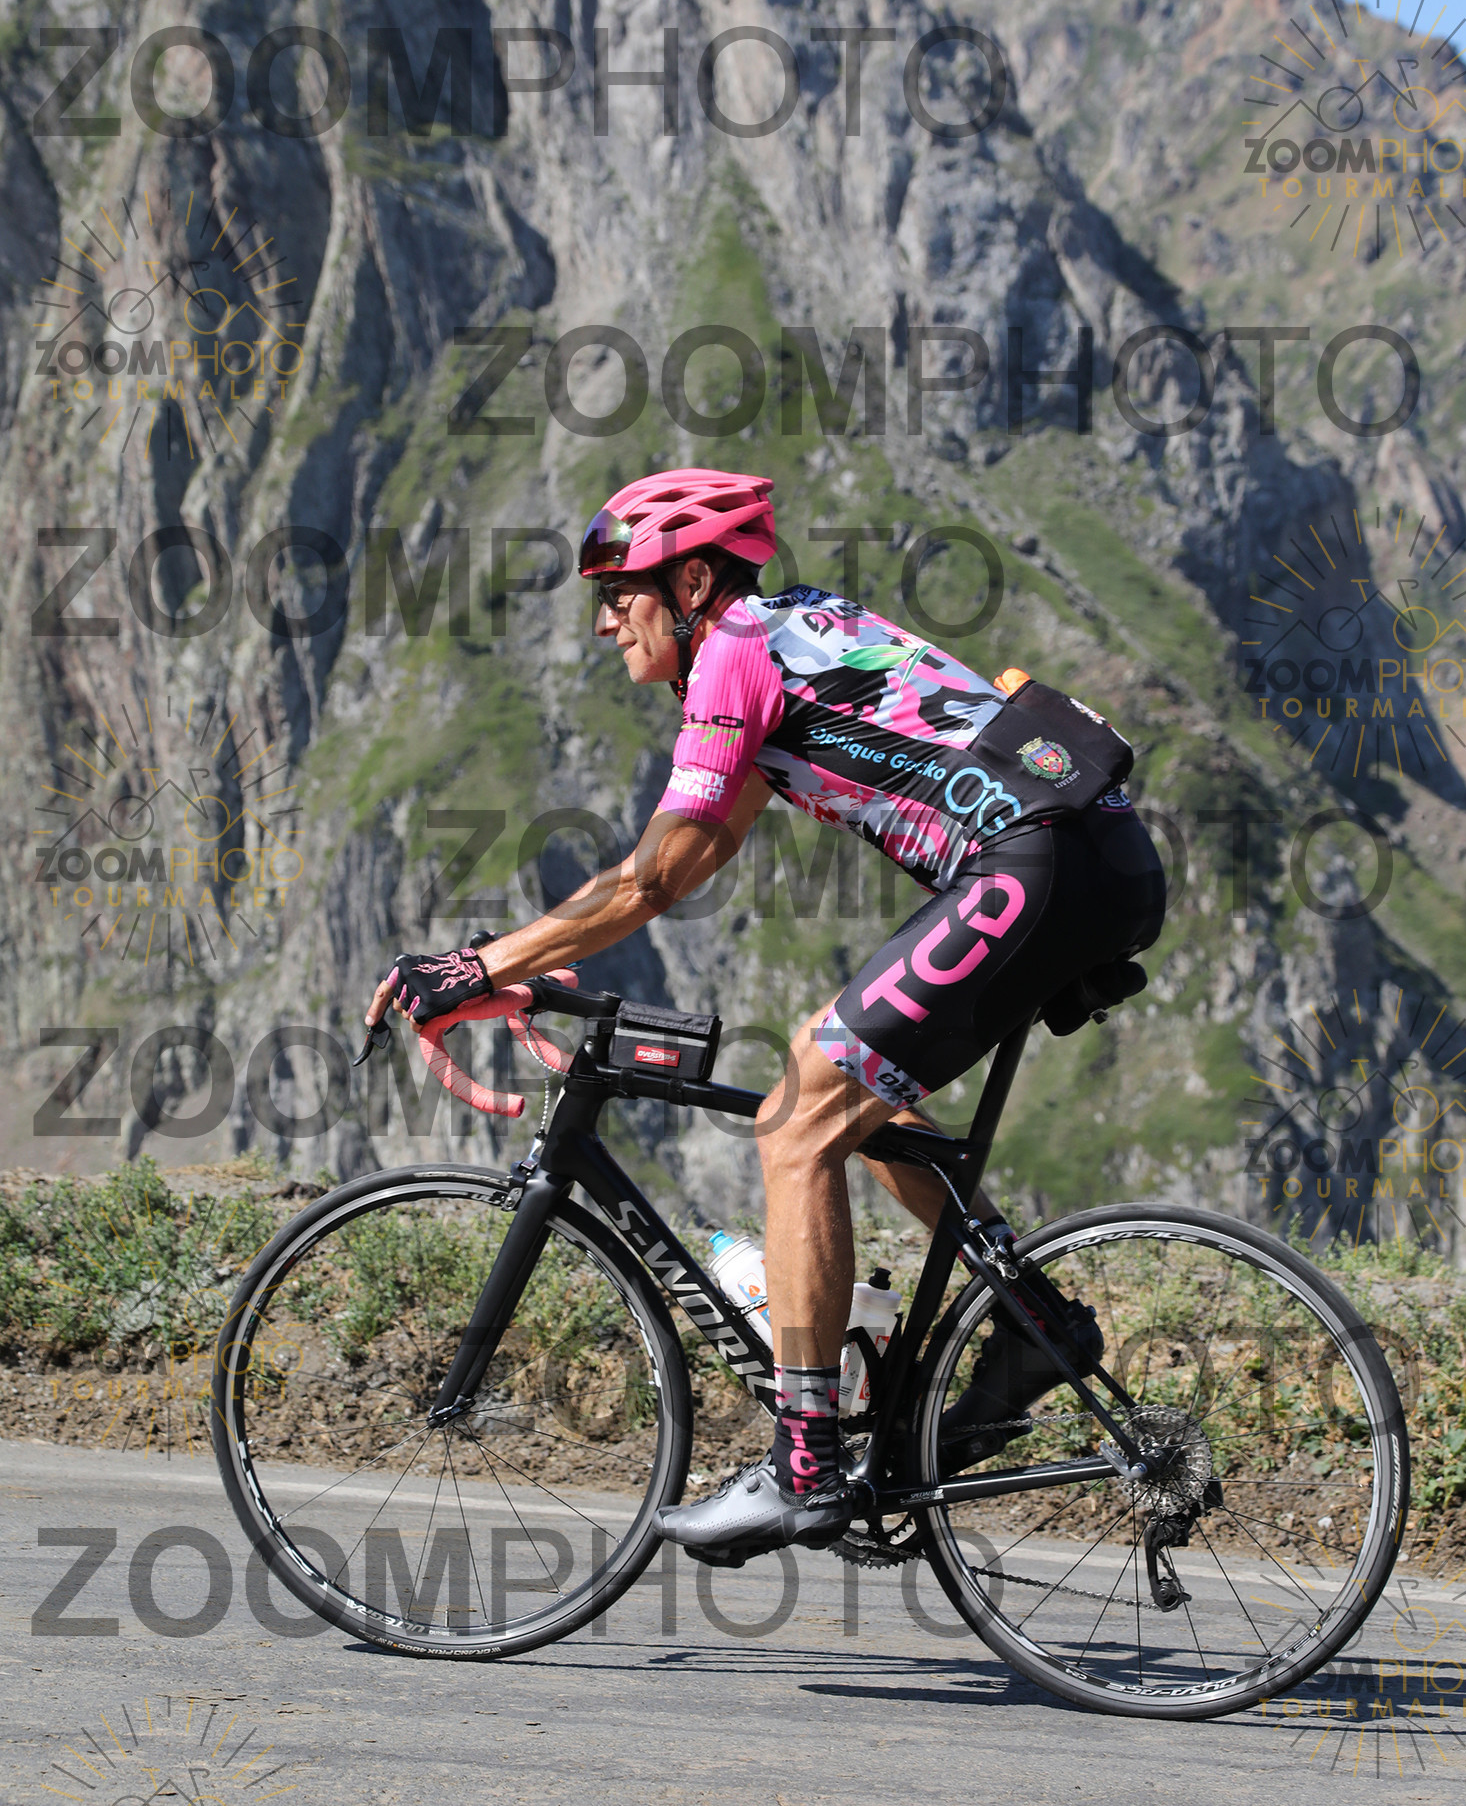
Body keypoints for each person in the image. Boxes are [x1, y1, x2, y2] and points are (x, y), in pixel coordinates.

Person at [366, 467, 1165, 1562]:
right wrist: (533, 967)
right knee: (849, 1097)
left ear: (691, 582)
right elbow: (691, 853)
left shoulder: (735, 653)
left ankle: (805, 1468)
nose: (605, 623)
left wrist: (474, 964)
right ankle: (1032, 1324)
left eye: (620, 594)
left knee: (796, 1123)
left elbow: (653, 879)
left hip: (1036, 862)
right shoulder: (783, 633)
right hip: (1085, 856)